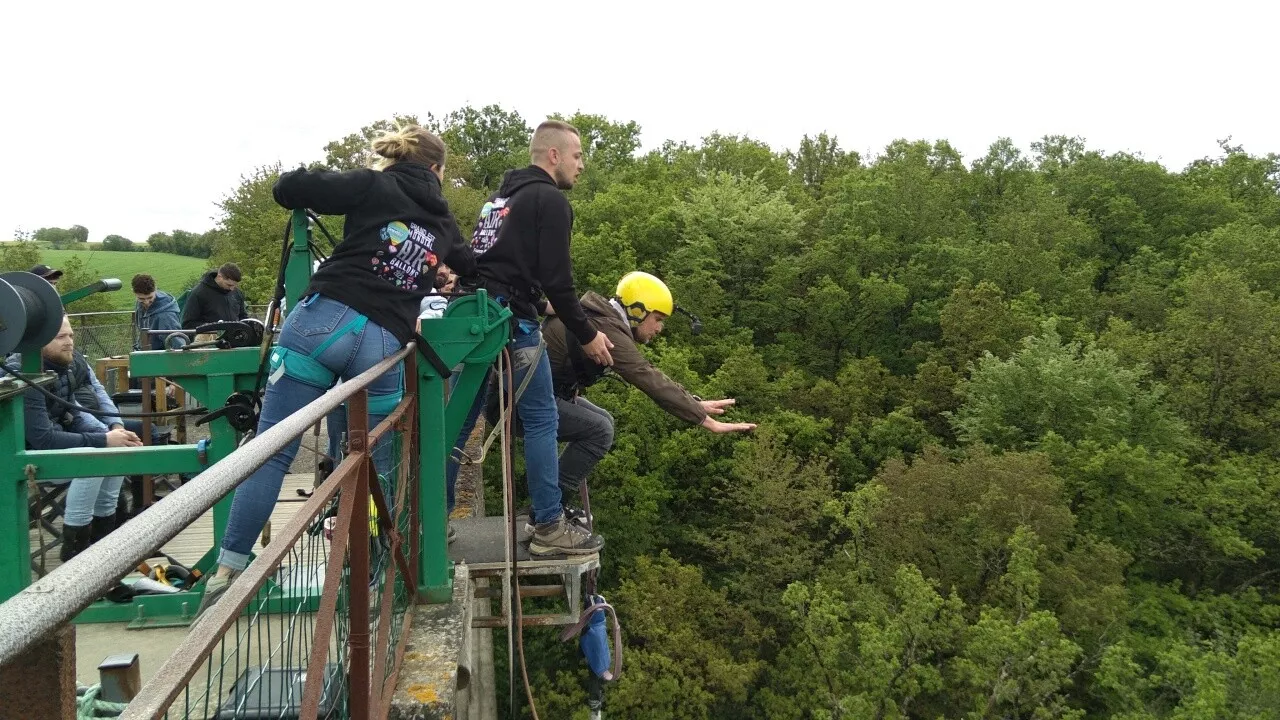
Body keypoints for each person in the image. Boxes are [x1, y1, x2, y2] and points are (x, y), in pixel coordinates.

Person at [197, 125, 475, 615]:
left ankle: (227, 572)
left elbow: (293, 186)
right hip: (383, 345)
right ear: (437, 171)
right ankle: (371, 574)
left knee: (273, 452)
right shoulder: (445, 224)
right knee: (373, 462)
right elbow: (472, 266)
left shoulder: (373, 185)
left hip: (323, 323)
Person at [473, 271, 757, 530]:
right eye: (657, 319)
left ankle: (548, 505)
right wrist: (702, 419)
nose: (659, 329)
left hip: (519, 396)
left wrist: (694, 404)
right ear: (637, 311)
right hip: (517, 404)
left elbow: (647, 373)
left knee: (604, 420)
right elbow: (644, 374)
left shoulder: (599, 316)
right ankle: (546, 511)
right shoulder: (606, 328)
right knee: (599, 430)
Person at [461, 119, 612, 557]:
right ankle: (548, 525)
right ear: (554, 155)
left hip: (478, 320)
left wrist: (536, 301)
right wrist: (586, 335)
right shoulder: (549, 200)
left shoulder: (498, 201)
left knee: (461, 425)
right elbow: (559, 282)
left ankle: (439, 518)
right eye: (578, 156)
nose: (581, 166)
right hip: (513, 326)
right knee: (544, 420)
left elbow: (494, 266)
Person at [4, 316, 142, 561]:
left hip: (52, 446)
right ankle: (76, 550)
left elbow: (75, 413)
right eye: (60, 337)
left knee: (117, 451)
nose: (69, 343)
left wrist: (112, 434)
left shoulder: (61, 366)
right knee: (91, 460)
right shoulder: (23, 374)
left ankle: (104, 539)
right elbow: (42, 439)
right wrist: (102, 440)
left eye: (71, 336)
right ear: (38, 342)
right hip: (23, 457)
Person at [181, 262, 248, 331]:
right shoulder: (198, 293)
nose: (232, 289)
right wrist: (215, 328)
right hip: (209, 340)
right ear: (219, 277)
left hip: (234, 339)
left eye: (235, 285)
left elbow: (243, 317)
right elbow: (188, 324)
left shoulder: (237, 293)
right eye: (229, 285)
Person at [132, 274, 185, 350]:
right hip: (145, 352)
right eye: (141, 299)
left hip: (161, 357)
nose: (146, 302)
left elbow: (176, 342)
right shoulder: (139, 305)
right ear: (134, 293)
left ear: (155, 289)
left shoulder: (166, 315)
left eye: (150, 297)